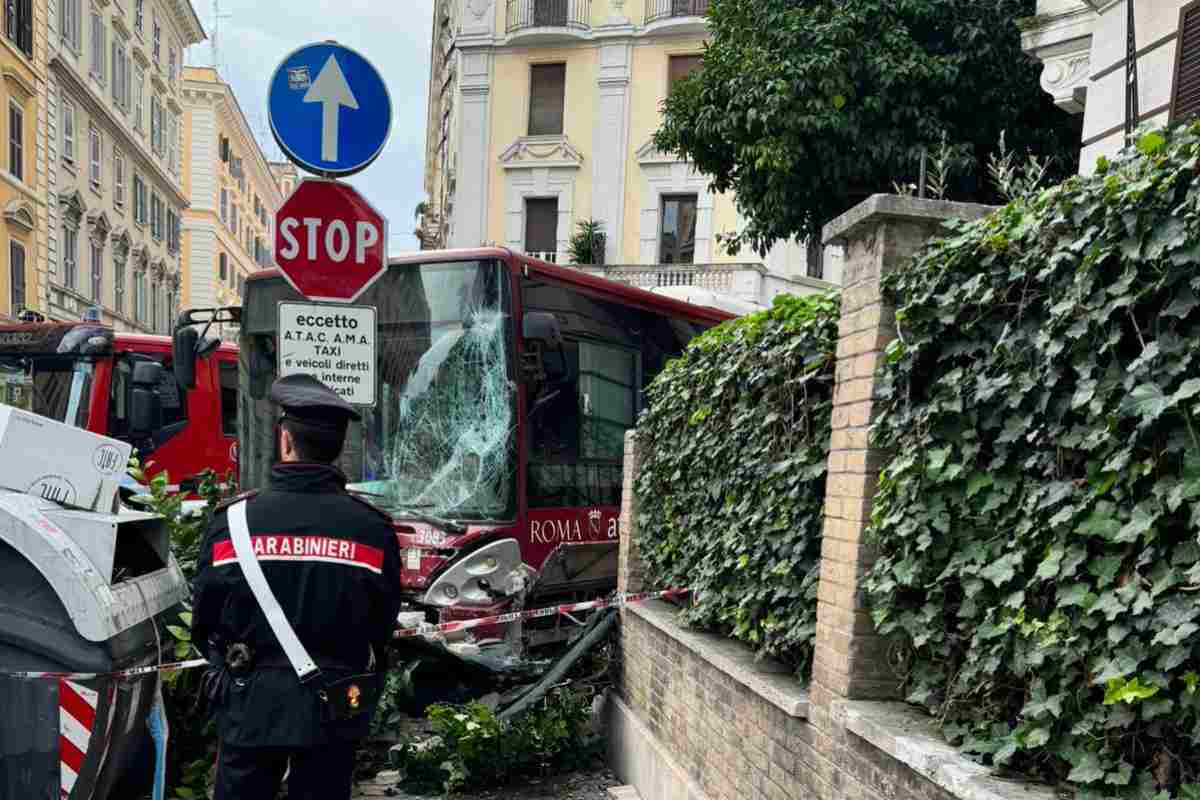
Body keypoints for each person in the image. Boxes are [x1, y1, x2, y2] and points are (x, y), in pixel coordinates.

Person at [192, 374, 403, 800]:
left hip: (249, 702)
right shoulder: (372, 529)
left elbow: (204, 624)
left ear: (285, 440)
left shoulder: (232, 522)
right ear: (338, 450)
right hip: (335, 705)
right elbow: (381, 628)